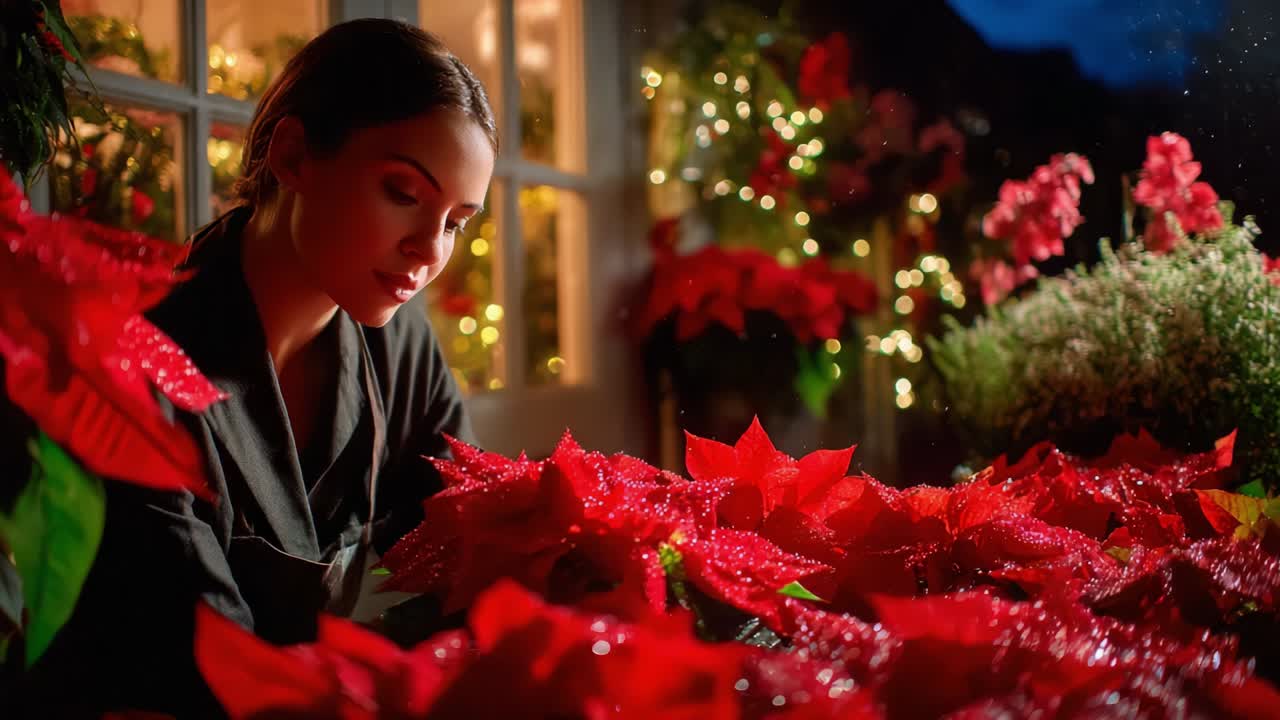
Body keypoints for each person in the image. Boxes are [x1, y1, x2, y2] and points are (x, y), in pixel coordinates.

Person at [7, 18, 496, 716]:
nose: (428, 250)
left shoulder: (401, 345)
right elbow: (193, 646)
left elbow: (469, 543)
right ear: (293, 155)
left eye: (456, 221)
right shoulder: (142, 348)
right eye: (403, 194)